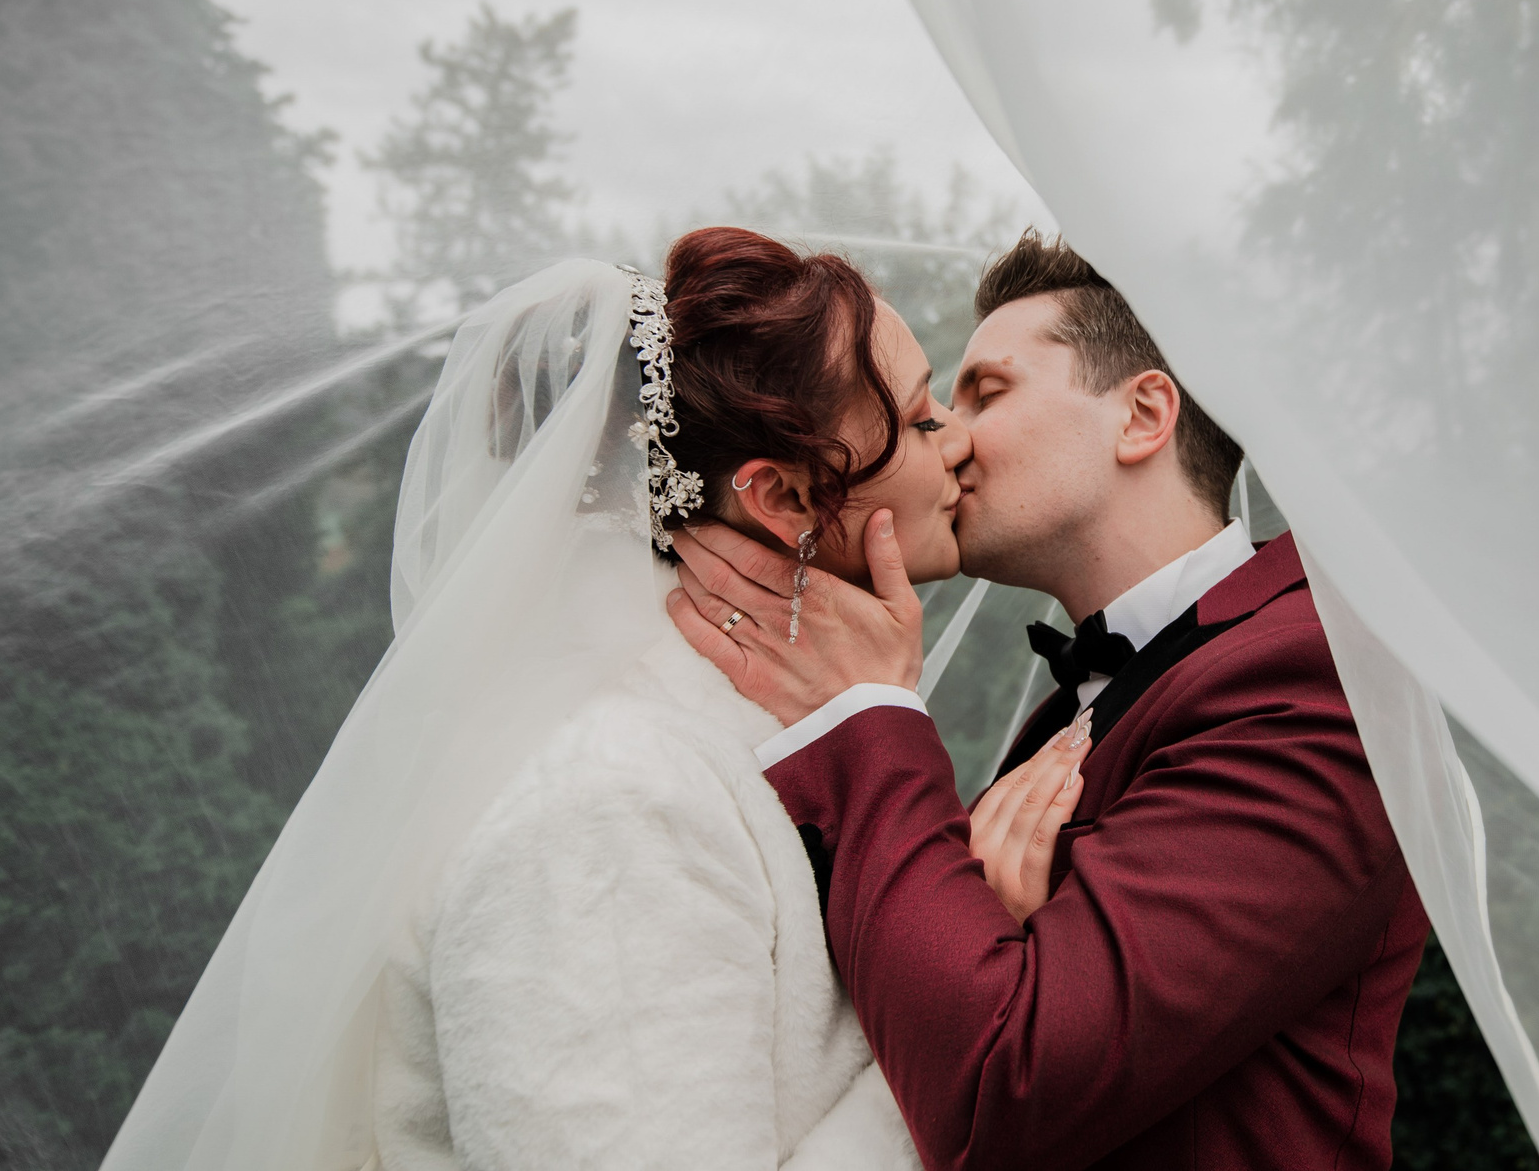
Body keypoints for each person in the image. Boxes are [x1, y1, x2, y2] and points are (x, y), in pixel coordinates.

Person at [104, 229, 1054, 1171]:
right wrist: (943, 1053)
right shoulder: (611, 806)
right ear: (784, 498)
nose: (961, 439)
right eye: (921, 419)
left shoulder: (750, 740)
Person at [670, 233, 1430, 1171]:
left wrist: (868, 714)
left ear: (1142, 416)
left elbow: (1004, 1084)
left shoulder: (1316, 679)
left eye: (987, 393)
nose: (950, 436)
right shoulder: (1069, 711)